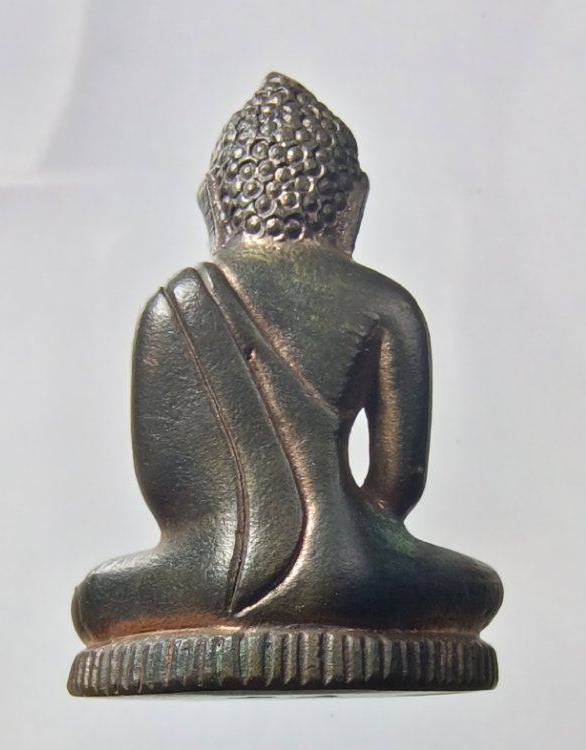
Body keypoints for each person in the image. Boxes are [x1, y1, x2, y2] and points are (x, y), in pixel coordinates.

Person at [70, 74, 502, 690]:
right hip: (355, 573)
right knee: (476, 589)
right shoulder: (388, 304)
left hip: (203, 575)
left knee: (97, 598)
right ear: (353, 203)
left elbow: (167, 486)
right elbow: (397, 486)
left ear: (214, 203)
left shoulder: (174, 304)